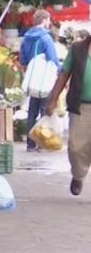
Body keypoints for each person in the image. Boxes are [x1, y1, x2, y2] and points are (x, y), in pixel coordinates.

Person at [46, 32, 91, 196]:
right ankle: (78, 175)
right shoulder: (78, 49)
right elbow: (64, 74)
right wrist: (52, 99)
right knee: (76, 148)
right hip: (81, 106)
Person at [19, 9, 60, 152]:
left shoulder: (26, 37)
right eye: (48, 20)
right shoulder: (46, 38)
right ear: (44, 20)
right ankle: (41, 141)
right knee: (44, 109)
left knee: (32, 110)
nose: (49, 23)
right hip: (44, 79)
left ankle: (30, 143)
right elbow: (53, 59)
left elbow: (22, 58)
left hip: (32, 78)